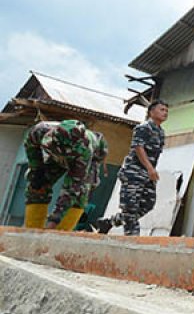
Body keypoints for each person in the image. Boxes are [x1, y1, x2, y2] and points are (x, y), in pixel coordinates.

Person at [95, 100, 168, 236]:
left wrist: (150, 171)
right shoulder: (143, 128)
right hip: (133, 172)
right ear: (151, 112)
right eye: (162, 109)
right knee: (130, 208)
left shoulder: (160, 132)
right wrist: (150, 168)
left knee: (147, 205)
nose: (165, 113)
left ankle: (109, 222)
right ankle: (132, 238)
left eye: (166, 111)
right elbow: (138, 148)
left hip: (147, 174)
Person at [23, 119, 108, 231]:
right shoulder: (39, 131)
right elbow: (31, 147)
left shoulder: (84, 151)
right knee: (37, 184)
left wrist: (53, 221)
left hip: (90, 159)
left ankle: (60, 234)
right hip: (55, 157)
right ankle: (31, 231)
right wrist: (36, 169)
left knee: (80, 194)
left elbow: (72, 190)